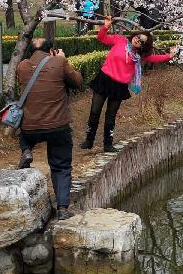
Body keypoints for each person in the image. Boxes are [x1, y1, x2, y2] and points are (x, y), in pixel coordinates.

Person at [80, 17, 174, 152]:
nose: (137, 40)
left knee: (111, 115)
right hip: (104, 79)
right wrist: (105, 26)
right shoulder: (120, 40)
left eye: (141, 42)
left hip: (119, 85)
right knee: (95, 111)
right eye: (137, 37)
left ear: (143, 46)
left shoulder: (138, 55)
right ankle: (89, 141)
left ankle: (108, 144)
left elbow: (154, 58)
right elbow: (102, 38)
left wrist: (169, 56)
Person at [16, 38, 83, 221]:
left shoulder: (22, 66)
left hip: (30, 127)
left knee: (23, 133)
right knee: (61, 166)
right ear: (51, 50)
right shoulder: (59, 62)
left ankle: (26, 150)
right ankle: (62, 208)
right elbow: (77, 81)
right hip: (57, 125)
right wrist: (63, 59)